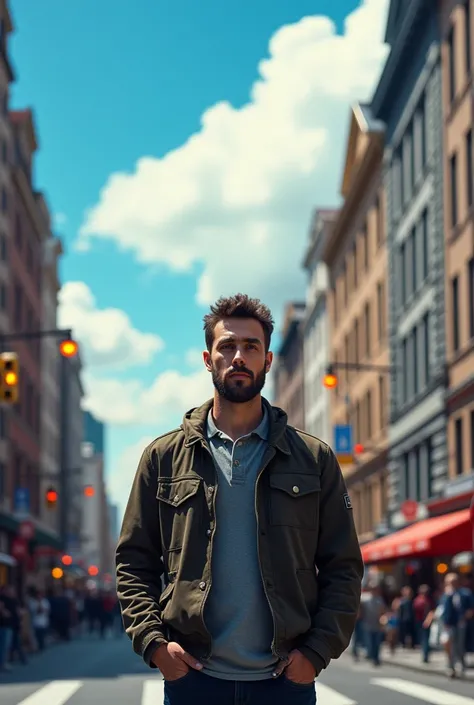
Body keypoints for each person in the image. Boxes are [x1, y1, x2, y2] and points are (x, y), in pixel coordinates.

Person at [116, 294, 364, 705]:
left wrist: (315, 653)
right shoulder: (162, 457)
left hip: (285, 682)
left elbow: (343, 566)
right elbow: (133, 562)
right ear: (207, 358)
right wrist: (156, 646)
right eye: (226, 346)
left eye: (250, 347)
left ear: (267, 360)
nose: (238, 357)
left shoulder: (314, 459)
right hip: (193, 680)